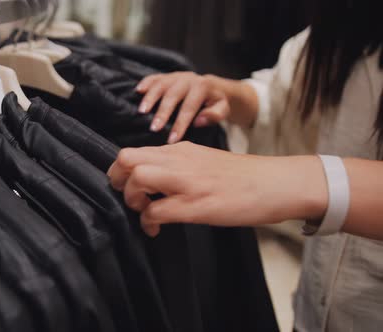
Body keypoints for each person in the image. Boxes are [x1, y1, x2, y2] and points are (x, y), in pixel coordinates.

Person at [107, 0, 383, 331]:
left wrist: (303, 181)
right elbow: (294, 94)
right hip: (315, 312)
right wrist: (228, 94)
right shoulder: (354, 17)